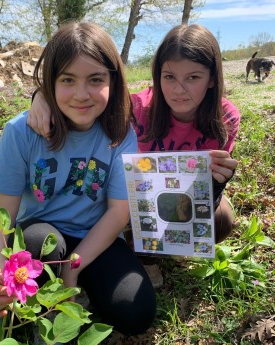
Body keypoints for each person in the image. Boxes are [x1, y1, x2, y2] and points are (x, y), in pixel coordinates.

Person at [0, 21, 156, 336]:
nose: (81, 94)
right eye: (67, 80)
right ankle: (43, 317)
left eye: (95, 79)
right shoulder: (21, 132)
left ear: (113, 81)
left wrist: (73, 267)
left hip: (96, 237)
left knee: (137, 313)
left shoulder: (120, 133)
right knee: (41, 243)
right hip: (40, 236)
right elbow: (0, 214)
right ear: (50, 81)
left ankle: (78, 288)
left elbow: (118, 212)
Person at [28, 24, 240, 243]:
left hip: (184, 196)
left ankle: (168, 248)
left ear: (212, 78)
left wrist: (216, 183)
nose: (179, 89)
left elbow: (204, 195)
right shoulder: (135, 108)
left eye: (193, 77)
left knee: (221, 219)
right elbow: (89, 100)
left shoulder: (225, 119)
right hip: (133, 198)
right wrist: (43, 96)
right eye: (169, 77)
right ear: (157, 76)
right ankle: (138, 249)